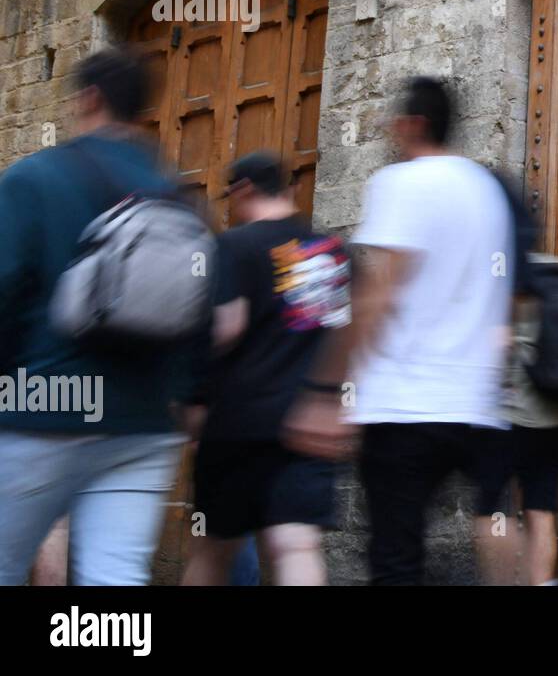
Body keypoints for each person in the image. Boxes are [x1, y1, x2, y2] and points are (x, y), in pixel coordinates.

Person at [284, 76, 513, 585]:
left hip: (405, 406)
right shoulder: (489, 190)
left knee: (396, 558)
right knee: (493, 523)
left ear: (413, 124)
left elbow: (377, 296)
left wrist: (327, 390)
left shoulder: (400, 183)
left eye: (394, 120)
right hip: (477, 403)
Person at [0, 48, 195, 585]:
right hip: (145, 423)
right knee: (115, 583)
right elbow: (200, 313)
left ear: (89, 98)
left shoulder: (33, 178)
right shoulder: (176, 197)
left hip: (43, 409)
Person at [182, 152, 350, 586]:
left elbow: (226, 328)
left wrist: (193, 402)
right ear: (289, 190)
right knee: (296, 544)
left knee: (215, 548)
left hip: (240, 421)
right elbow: (345, 332)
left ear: (244, 191)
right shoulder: (331, 251)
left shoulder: (235, 245)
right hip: (308, 421)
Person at [476, 260, 558, 585]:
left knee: (490, 510)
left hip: (514, 414)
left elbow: (497, 342)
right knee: (541, 507)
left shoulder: (513, 283)